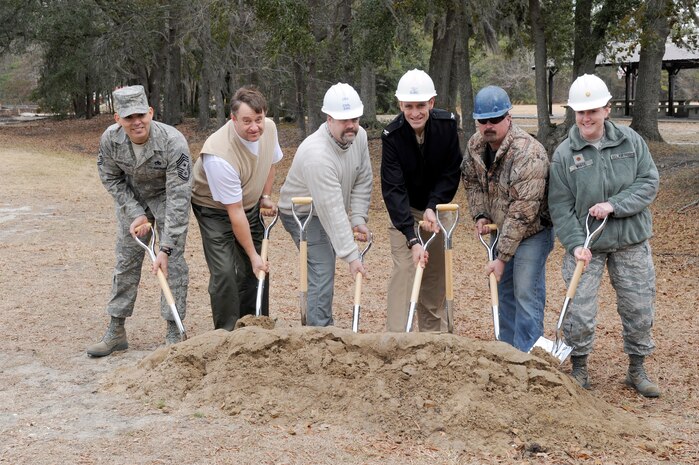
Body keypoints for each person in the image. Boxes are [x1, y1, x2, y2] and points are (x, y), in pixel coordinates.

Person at [549, 74, 660, 397]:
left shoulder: (631, 141)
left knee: (639, 307)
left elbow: (648, 183)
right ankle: (580, 367)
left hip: (630, 240)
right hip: (587, 245)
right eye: (580, 112)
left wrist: (614, 205)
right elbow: (559, 205)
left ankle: (637, 368)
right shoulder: (565, 154)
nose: (586, 118)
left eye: (593, 111)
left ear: (607, 110)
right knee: (579, 309)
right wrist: (573, 245)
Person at [87, 85, 192, 357]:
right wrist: (135, 212)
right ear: (117, 119)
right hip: (134, 201)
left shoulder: (173, 141)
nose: (136, 122)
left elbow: (180, 197)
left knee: (174, 265)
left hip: (167, 199)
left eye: (140, 115)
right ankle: (116, 331)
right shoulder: (110, 140)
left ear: (150, 112)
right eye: (128, 117)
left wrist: (166, 248)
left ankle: (173, 331)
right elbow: (110, 178)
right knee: (125, 263)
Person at [461, 85, 553, 352]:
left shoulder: (528, 152)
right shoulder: (476, 146)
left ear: (509, 117)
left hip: (532, 232)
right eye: (483, 120)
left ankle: (529, 357)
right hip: (501, 229)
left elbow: (523, 212)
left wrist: (500, 259)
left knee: (526, 294)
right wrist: (481, 214)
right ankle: (507, 355)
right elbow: (471, 181)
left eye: (496, 119)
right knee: (504, 295)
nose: (489, 125)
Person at [278, 82, 373, 327]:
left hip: (327, 207)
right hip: (301, 212)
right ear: (328, 119)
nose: (351, 125)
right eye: (344, 120)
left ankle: (320, 324)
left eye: (354, 118)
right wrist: (352, 256)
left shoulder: (359, 136)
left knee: (325, 263)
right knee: (322, 265)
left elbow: (363, 178)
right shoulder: (316, 155)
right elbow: (331, 210)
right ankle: (319, 333)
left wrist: (359, 218)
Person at [191, 86, 283, 330]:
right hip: (214, 210)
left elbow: (270, 163)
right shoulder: (219, 154)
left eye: (258, 119)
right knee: (225, 273)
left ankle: (256, 326)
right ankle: (227, 334)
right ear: (232, 119)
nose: (254, 127)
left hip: (250, 205)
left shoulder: (270, 129)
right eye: (246, 121)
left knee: (258, 269)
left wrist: (265, 196)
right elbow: (234, 212)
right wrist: (252, 255)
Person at [381, 69, 462, 332]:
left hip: (436, 211)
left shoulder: (448, 125)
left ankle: (434, 340)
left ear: (432, 103)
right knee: (405, 270)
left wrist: (433, 206)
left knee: (434, 278)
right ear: (400, 105)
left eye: (420, 105)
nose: (415, 112)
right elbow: (393, 189)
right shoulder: (391, 136)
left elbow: (451, 172)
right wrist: (411, 236)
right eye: (409, 106)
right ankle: (396, 338)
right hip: (404, 212)